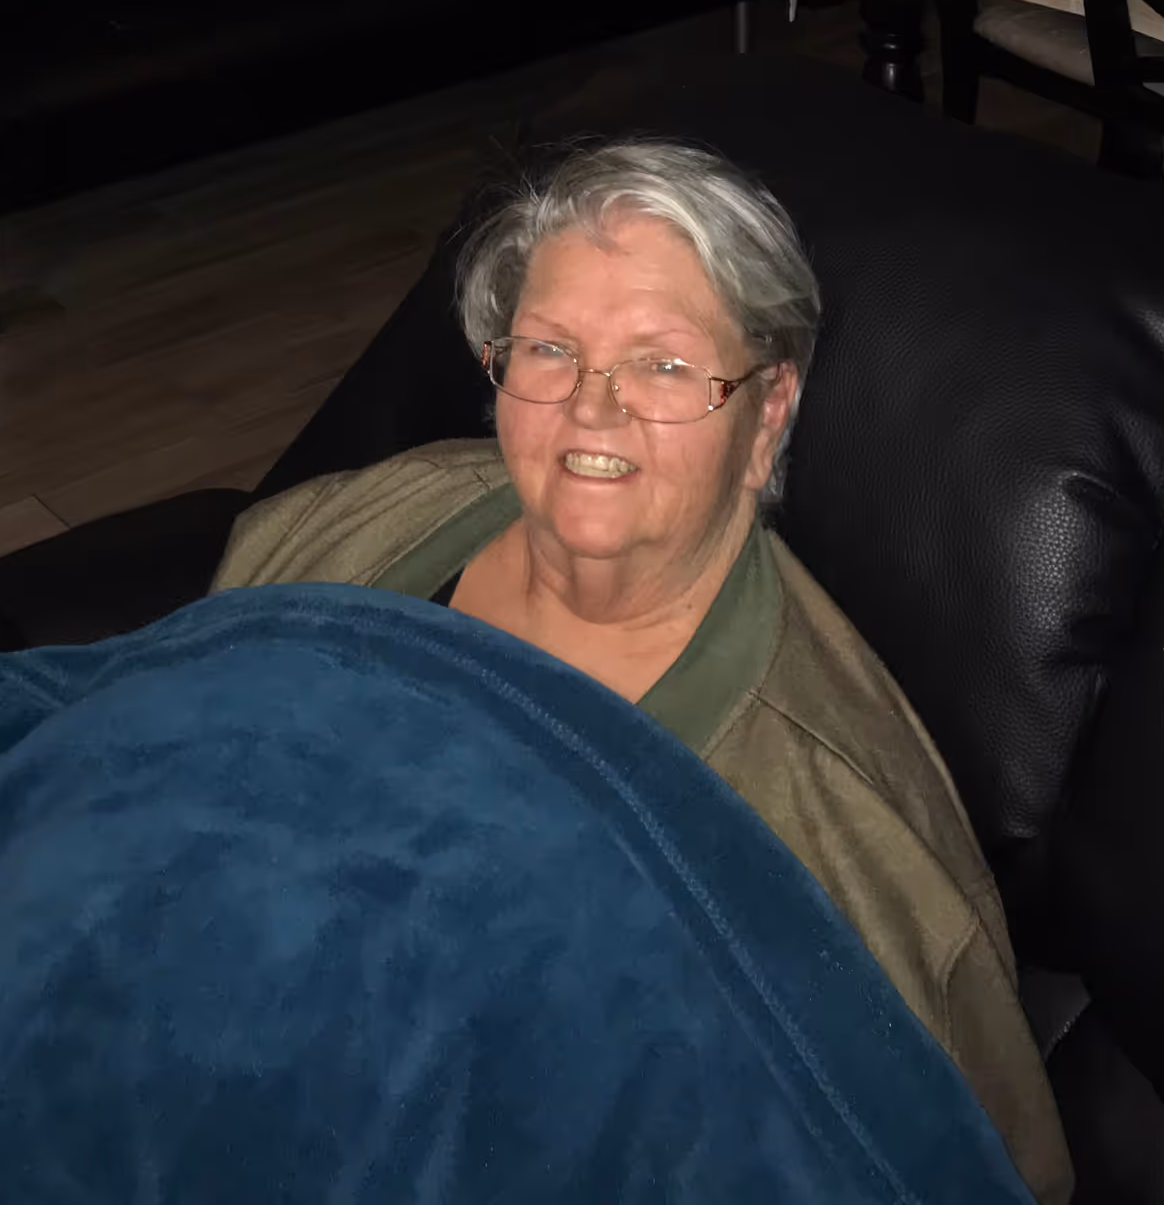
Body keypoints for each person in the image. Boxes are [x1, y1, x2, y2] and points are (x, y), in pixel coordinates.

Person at [213, 138, 1072, 1205]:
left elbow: (959, 1161)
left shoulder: (823, 815)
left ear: (765, 417)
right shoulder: (374, 518)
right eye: (549, 350)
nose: (591, 407)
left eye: (663, 364)